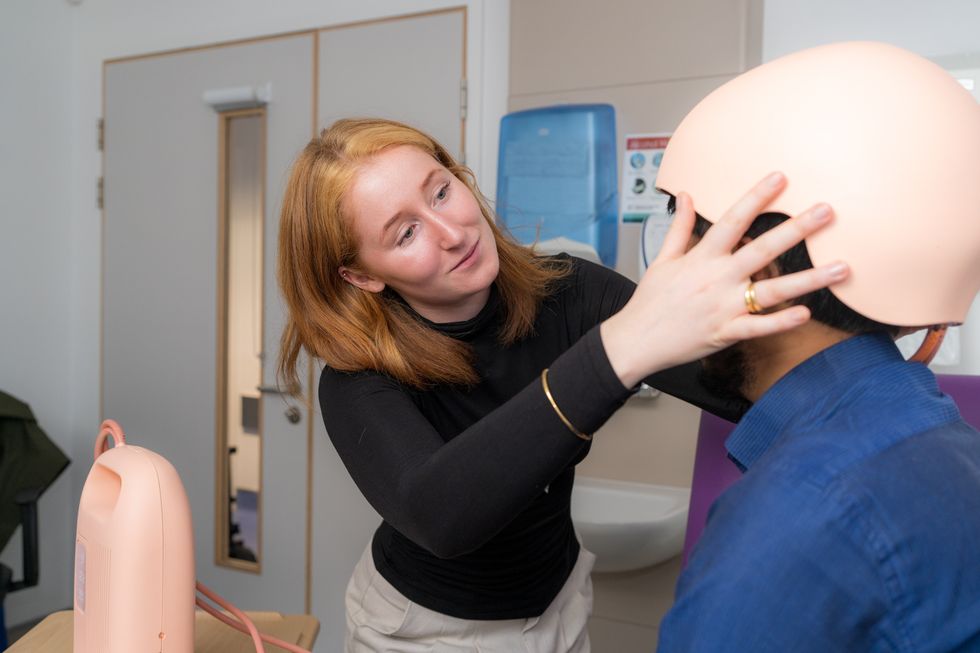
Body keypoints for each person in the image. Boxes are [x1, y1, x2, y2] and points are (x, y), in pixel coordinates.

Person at [275, 117, 846, 652]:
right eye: (405, 233)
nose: (453, 232)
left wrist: (861, 317)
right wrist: (619, 350)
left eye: (441, 191)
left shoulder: (570, 292)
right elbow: (440, 516)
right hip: (426, 632)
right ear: (362, 275)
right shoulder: (357, 383)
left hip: (559, 603)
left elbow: (738, 387)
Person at [654, 41, 980, 651]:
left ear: (766, 264)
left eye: (685, 234)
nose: (663, 276)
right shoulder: (947, 443)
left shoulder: (796, 515)